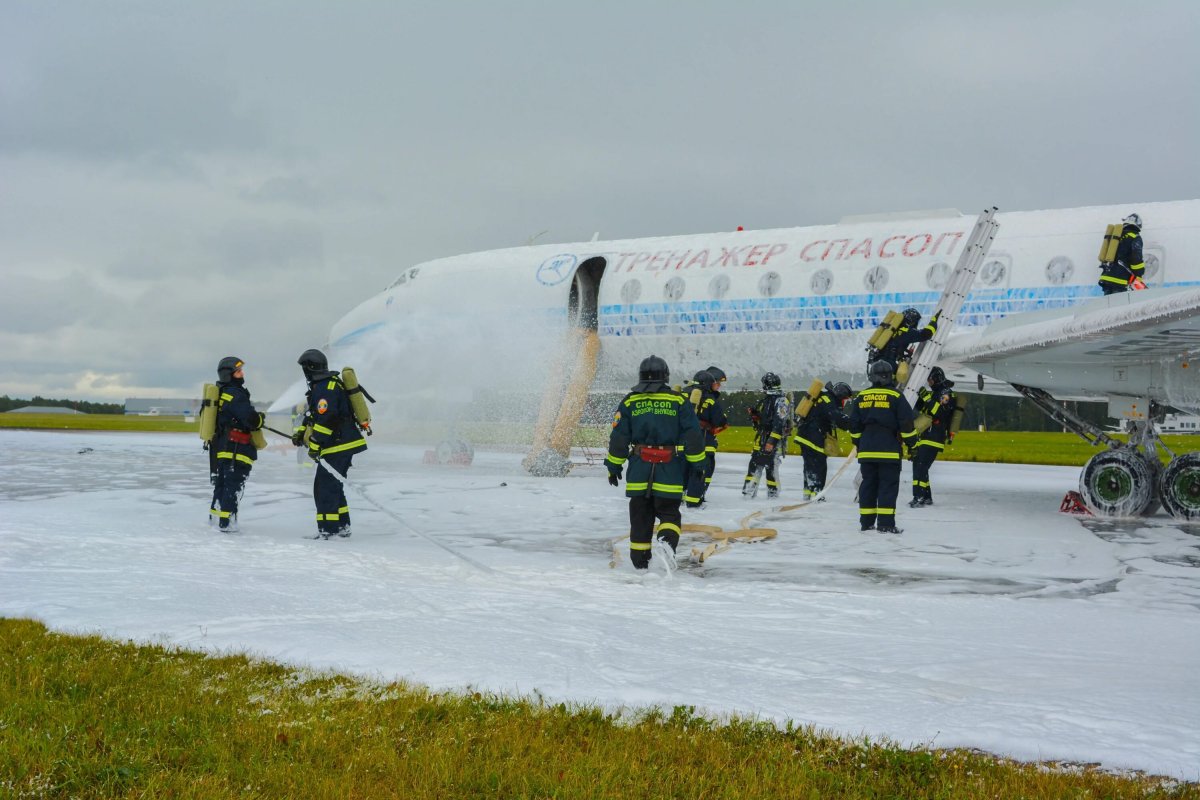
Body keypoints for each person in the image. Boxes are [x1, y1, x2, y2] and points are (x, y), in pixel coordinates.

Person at [605, 355, 706, 570]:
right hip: (669, 468)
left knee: (640, 516)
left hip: (639, 469)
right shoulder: (679, 401)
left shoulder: (630, 401)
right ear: (666, 377)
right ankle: (665, 548)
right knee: (669, 513)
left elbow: (619, 438)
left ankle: (641, 566)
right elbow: (693, 435)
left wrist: (613, 467)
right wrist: (698, 464)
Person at [294, 349, 368, 539]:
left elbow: (327, 420)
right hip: (341, 443)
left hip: (337, 445)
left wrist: (316, 444)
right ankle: (342, 527)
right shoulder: (326, 385)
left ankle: (328, 530)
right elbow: (315, 416)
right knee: (334, 485)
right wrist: (302, 433)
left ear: (309, 368)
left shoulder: (324, 387)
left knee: (324, 488)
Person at [847, 359, 917, 533]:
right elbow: (906, 424)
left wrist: (859, 443)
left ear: (871, 376)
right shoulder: (896, 396)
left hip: (867, 450)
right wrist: (912, 445)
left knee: (868, 486)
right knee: (887, 487)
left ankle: (866, 523)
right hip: (889, 450)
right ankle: (886, 524)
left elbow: (854, 426)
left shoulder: (862, 396)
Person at [208, 356, 264, 533]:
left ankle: (215, 520)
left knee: (222, 486)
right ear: (228, 375)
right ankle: (227, 525)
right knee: (233, 488)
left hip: (225, 448)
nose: (242, 374)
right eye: (238, 372)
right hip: (237, 449)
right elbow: (251, 420)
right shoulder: (235, 394)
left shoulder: (224, 392)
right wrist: (261, 418)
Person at [792, 381, 852, 501]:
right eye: (845, 400)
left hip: (807, 436)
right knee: (818, 467)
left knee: (809, 467)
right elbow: (837, 418)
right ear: (840, 395)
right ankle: (817, 495)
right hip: (813, 438)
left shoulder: (824, 398)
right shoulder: (828, 400)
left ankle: (808, 494)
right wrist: (855, 423)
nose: (844, 403)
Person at [909, 367, 958, 507]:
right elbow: (923, 409)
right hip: (926, 435)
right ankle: (926, 497)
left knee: (921, 466)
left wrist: (927, 398)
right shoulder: (935, 393)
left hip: (935, 436)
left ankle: (918, 497)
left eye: (930, 379)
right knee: (919, 465)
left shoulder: (946, 393)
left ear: (936, 378)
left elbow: (940, 413)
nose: (929, 382)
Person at [684, 367, 729, 508]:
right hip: (704, 441)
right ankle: (695, 499)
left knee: (684, 469)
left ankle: (681, 496)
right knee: (702, 470)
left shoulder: (683, 395)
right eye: (716, 383)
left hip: (682, 442)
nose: (718, 387)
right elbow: (719, 420)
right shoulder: (709, 399)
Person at [743, 372, 790, 499]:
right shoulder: (768, 400)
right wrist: (755, 415)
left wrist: (771, 441)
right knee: (754, 464)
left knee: (771, 468)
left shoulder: (781, 400)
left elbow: (779, 423)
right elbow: (766, 420)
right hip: (762, 438)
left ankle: (773, 496)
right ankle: (748, 493)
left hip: (773, 441)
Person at [870, 308, 937, 378]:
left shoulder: (892, 330)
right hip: (888, 367)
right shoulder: (905, 331)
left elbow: (892, 347)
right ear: (912, 321)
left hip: (877, 364)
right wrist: (933, 322)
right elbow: (925, 334)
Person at [1098, 213, 1146, 294]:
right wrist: (1139, 274)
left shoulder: (1116, 236)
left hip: (1106, 277)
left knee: (1111, 305)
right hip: (1120, 280)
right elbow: (1136, 260)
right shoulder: (1135, 237)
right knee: (1119, 304)